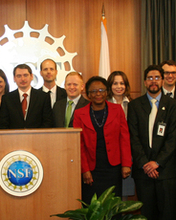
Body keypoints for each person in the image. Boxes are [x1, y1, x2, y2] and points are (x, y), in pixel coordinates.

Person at [73, 76, 132, 204]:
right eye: (94, 91)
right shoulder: (79, 113)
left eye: (101, 90)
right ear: (88, 94)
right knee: (92, 206)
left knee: (112, 206)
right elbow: (79, 144)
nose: (98, 94)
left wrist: (126, 164)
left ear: (106, 92)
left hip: (113, 168)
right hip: (92, 169)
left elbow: (124, 138)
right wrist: (85, 170)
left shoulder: (117, 110)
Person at [128, 65, 176, 220]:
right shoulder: (134, 105)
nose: (153, 81)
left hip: (166, 171)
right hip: (143, 172)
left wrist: (157, 162)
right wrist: (145, 164)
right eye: (150, 78)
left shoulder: (172, 105)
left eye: (157, 78)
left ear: (162, 81)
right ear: (144, 82)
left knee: (168, 213)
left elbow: (173, 138)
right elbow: (133, 138)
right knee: (147, 214)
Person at [0, 64, 53, 129]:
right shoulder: (7, 99)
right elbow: (2, 125)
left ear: (32, 76)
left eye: (25, 75)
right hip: (13, 138)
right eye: (19, 76)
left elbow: (47, 123)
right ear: (14, 78)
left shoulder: (43, 97)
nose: (23, 79)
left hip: (37, 138)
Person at [107, 71, 134, 200]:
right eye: (115, 83)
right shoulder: (104, 105)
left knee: (125, 194)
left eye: (122, 83)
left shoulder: (133, 104)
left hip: (129, 153)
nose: (119, 86)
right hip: (110, 154)